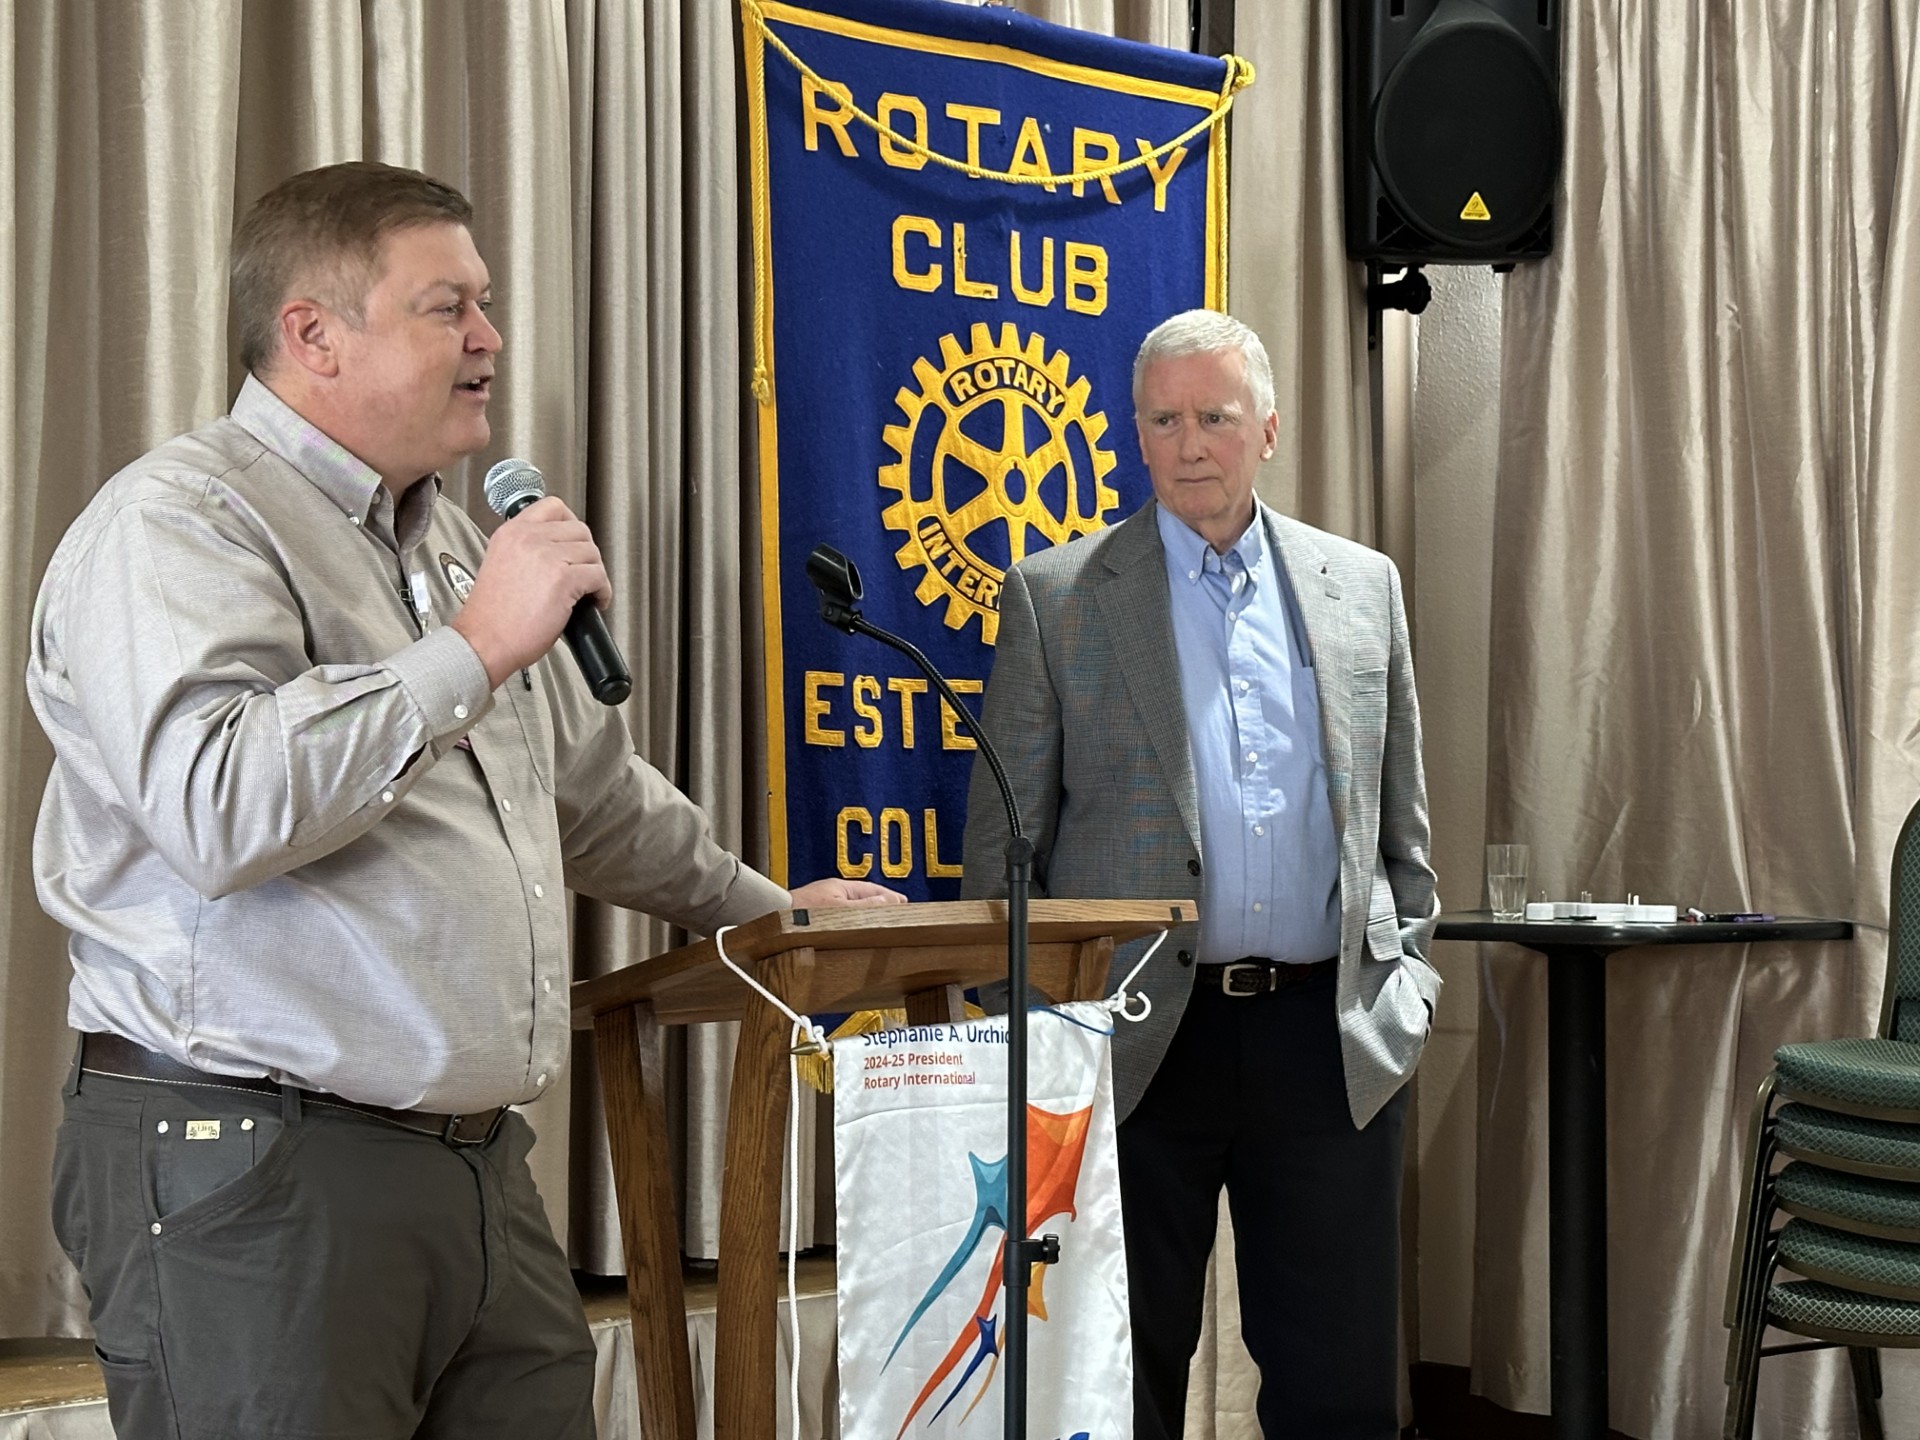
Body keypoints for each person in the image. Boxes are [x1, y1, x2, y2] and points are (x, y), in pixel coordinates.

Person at [28, 160, 899, 1440]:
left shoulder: (448, 542)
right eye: (448, 307)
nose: (490, 336)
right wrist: (474, 649)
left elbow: (590, 799)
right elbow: (214, 801)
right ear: (313, 334)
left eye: (485, 304)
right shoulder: (181, 520)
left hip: (477, 1170)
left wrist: (776, 918)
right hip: (254, 1162)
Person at [960, 309, 1440, 1439]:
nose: (1188, 445)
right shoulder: (1057, 597)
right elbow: (1004, 862)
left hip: (1328, 1043)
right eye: (1163, 420)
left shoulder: (1360, 587)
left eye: (1213, 418)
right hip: (1132, 1049)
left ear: (1266, 428)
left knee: (1343, 1395)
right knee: (1121, 1388)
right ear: (1136, 433)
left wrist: (1406, 988)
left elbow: (1402, 836)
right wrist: (1044, 1051)